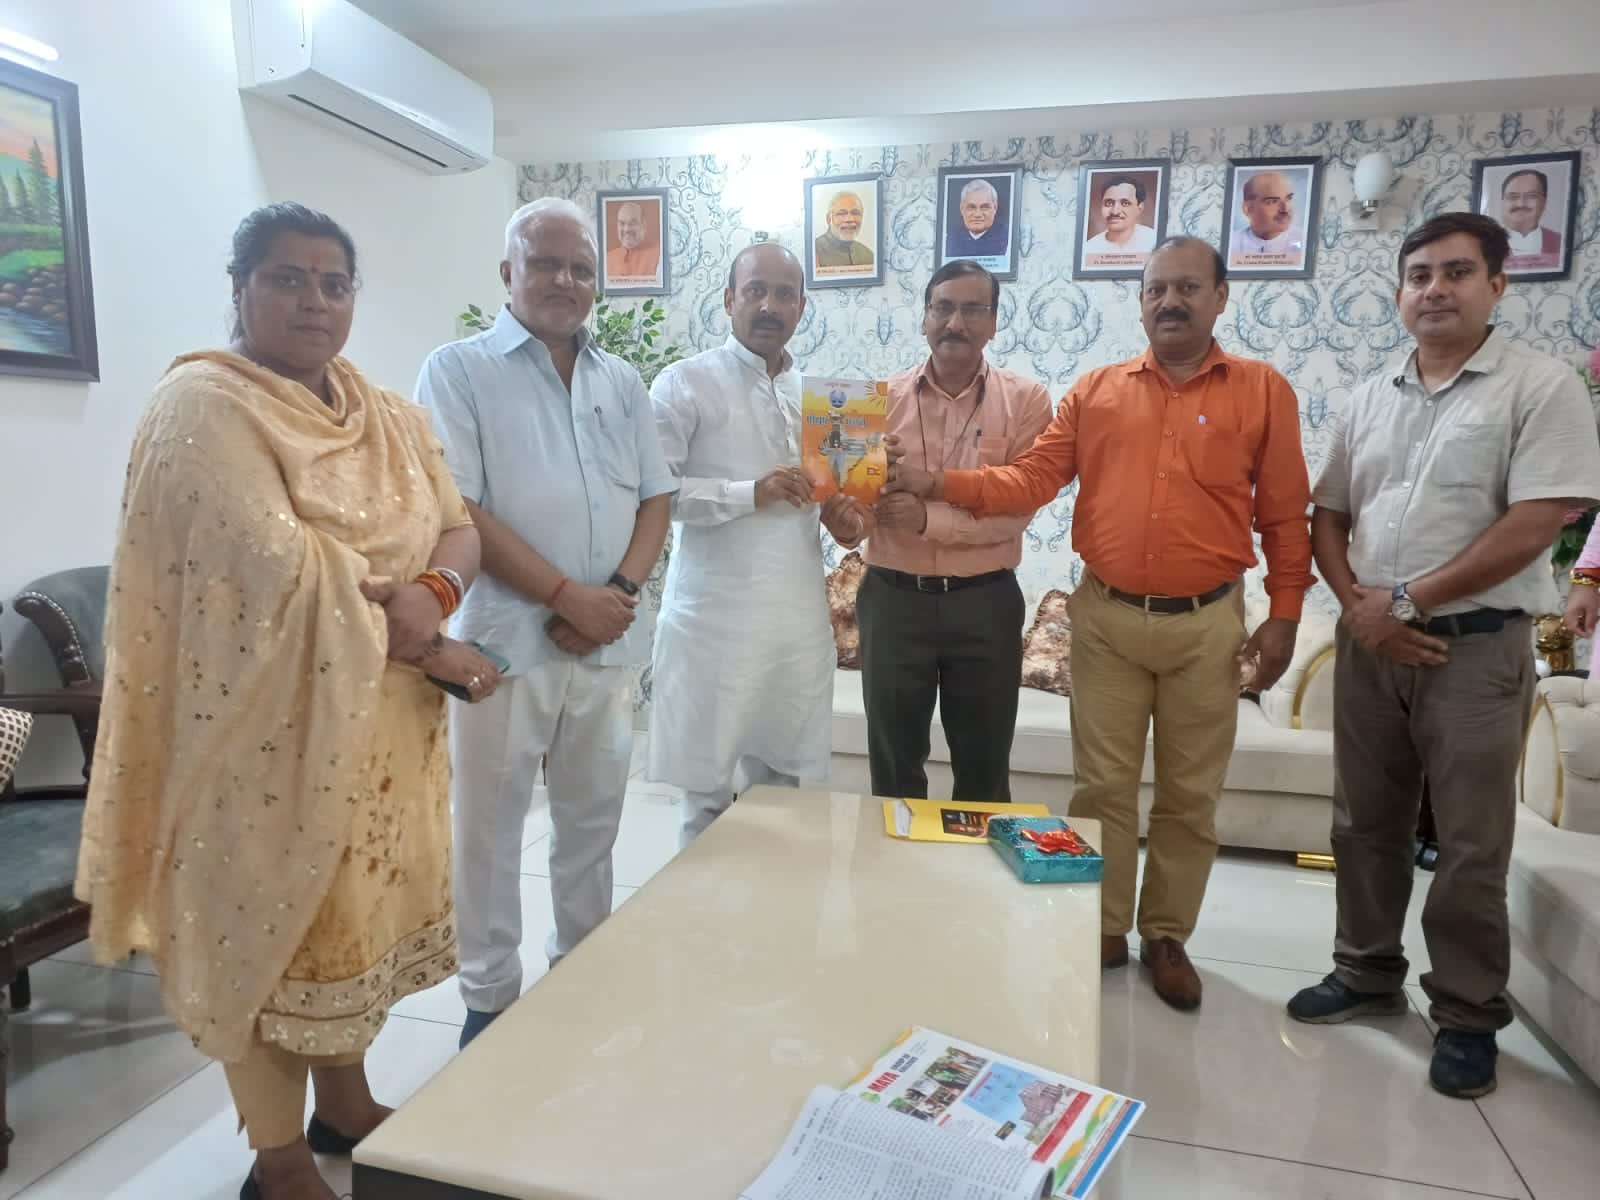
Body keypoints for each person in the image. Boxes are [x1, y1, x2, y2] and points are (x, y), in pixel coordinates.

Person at [74, 202, 502, 1200]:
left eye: (333, 282)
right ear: (240, 289)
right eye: (287, 278)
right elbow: (278, 569)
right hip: (261, 740)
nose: (315, 300)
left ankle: (344, 1105)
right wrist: (423, 631)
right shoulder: (202, 406)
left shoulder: (385, 411)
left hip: (384, 730)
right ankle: (276, 1160)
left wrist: (433, 591)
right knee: (268, 932)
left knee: (347, 933)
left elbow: (458, 525)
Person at [886, 237, 1313, 1011]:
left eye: (1188, 287)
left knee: (1190, 794)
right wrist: (936, 481)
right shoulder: (1097, 392)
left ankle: (1168, 936)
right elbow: (1030, 480)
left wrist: (1284, 616)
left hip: (1207, 624)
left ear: (1221, 296)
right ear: (1140, 301)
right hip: (1108, 618)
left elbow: (1285, 517)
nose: (1170, 302)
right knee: (1102, 787)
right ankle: (1104, 927)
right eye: (1156, 289)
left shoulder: (1262, 391)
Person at [1286, 211, 1600, 1098]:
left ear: (1496, 285)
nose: (1434, 289)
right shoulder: (1368, 395)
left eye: (1456, 272)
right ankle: (1364, 971)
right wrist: (1362, 610)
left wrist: (1405, 603)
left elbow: (1535, 523)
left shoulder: (1541, 388)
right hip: (1371, 645)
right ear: (1399, 293)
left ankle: (1466, 1013)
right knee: (1362, 823)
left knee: (1468, 842)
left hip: (1475, 649)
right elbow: (1328, 516)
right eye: (1418, 275)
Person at [417, 197, 676, 1049]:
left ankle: (583, 974)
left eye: (581, 268)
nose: (565, 280)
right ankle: (489, 999)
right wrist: (566, 595)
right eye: (546, 263)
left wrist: (617, 593)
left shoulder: (621, 380)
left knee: (593, 821)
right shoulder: (458, 371)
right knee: (489, 830)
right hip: (502, 643)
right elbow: (459, 506)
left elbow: (655, 497)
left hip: (607, 643)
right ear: (508, 273)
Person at [648, 242, 871, 844]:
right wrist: (751, 492)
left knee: (782, 790)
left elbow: (835, 510)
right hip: (711, 619)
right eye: (755, 291)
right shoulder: (684, 382)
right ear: (729, 300)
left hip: (794, 621)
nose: (769, 305)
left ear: (801, 306)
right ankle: (702, 903)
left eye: (783, 294)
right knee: (706, 792)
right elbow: (656, 495)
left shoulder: (825, 401)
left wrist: (845, 519)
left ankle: (772, 902)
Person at [857, 259, 1053, 804]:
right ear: (924, 317)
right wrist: (846, 502)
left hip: (985, 603)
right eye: (942, 308)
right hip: (893, 602)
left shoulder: (1027, 401)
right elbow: (855, 514)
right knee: (893, 773)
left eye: (972, 310)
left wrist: (927, 519)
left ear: (994, 322)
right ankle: (898, 863)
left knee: (984, 772)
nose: (955, 323)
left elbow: (1020, 506)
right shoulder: (874, 403)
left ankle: (979, 865)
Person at [1230, 169, 1305, 260]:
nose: (1285, 209)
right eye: (1273, 201)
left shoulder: (1304, 240)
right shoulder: (1231, 243)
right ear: (1248, 209)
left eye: (1288, 198)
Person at [1497, 169, 1562, 270]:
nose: (1521, 204)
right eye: (1513, 197)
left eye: (1531, 196)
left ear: (1544, 202)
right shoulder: (1486, 243)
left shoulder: (1560, 242)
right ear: (1502, 202)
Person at [1082, 176, 1157, 258]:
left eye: (1125, 203)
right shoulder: (1090, 248)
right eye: (1109, 203)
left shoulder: (1154, 240)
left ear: (1140, 208)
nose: (1115, 211)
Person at [944, 178, 1009, 259]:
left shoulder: (1008, 239)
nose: (978, 214)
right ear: (962, 209)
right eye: (971, 207)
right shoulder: (950, 241)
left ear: (995, 208)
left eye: (984, 207)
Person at [814, 190, 875, 270]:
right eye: (841, 213)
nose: (849, 219)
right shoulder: (814, 251)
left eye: (855, 213)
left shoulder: (868, 256)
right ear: (829, 219)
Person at [607, 200, 660, 280]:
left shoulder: (659, 255)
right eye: (622, 223)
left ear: (644, 226)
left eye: (632, 223)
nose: (626, 229)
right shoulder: (608, 259)